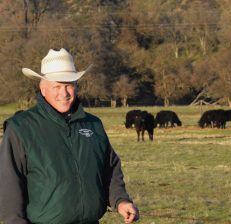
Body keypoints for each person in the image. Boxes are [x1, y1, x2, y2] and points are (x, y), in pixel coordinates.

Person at [0, 48, 139, 224]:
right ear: (43, 88)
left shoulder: (93, 125)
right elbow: (9, 184)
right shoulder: (21, 127)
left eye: (68, 85)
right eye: (56, 86)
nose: (64, 93)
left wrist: (121, 200)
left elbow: (109, 168)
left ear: (76, 86)